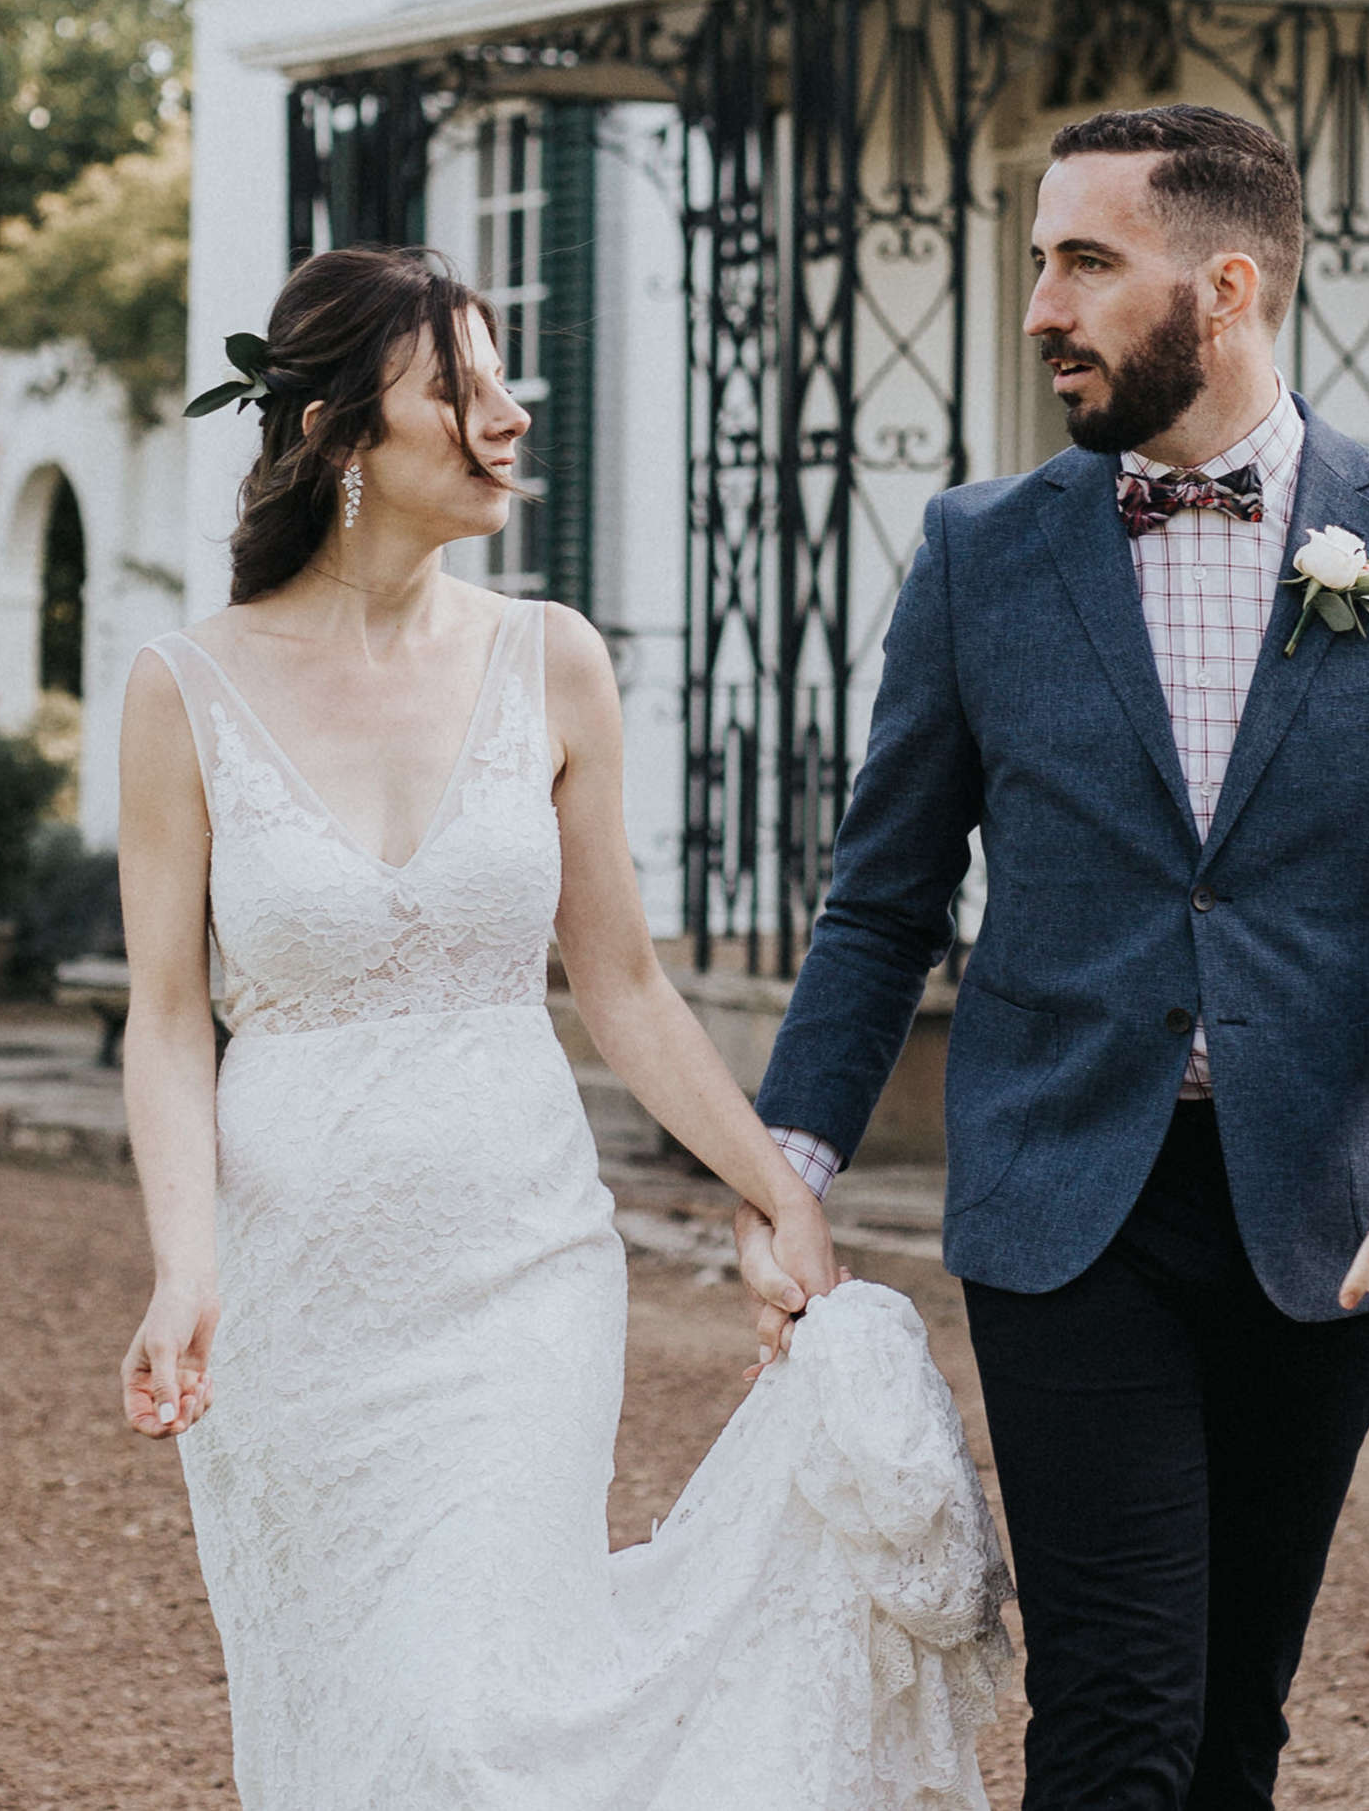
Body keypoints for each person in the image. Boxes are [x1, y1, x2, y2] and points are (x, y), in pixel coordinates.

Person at [744, 103, 1369, 1811]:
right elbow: (883, 900)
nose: (1039, 306)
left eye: (1085, 262)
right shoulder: (982, 556)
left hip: (1331, 1213)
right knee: (1118, 1714)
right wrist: (789, 1169)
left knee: (1232, 1726)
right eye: (1038, 260)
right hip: (1071, 1197)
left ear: (1224, 288)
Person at [109, 244, 1006, 1810]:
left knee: (481, 1707)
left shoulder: (555, 661)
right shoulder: (179, 693)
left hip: (520, 1280)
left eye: (505, 377)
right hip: (290, 1306)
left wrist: (774, 1185)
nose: (510, 419)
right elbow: (170, 1023)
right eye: (460, 390)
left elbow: (627, 984)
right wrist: (185, 1267)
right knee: (356, 1725)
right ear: (335, 436)